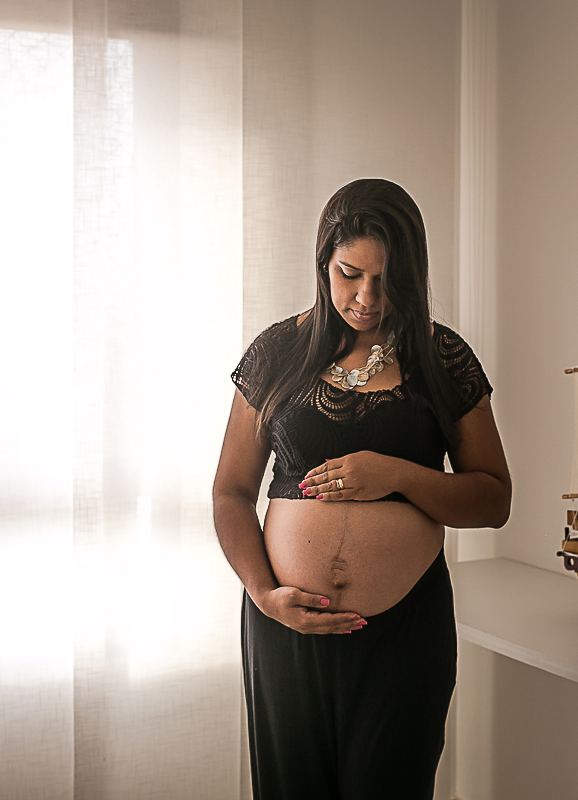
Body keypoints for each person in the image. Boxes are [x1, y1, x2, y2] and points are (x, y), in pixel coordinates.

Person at [212, 178, 511, 800]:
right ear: (324, 262)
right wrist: (265, 596)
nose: (368, 297)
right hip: (286, 626)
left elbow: (493, 499)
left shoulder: (441, 357)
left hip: (405, 635)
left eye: (387, 279)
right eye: (350, 274)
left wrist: (397, 474)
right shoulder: (277, 352)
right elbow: (230, 493)